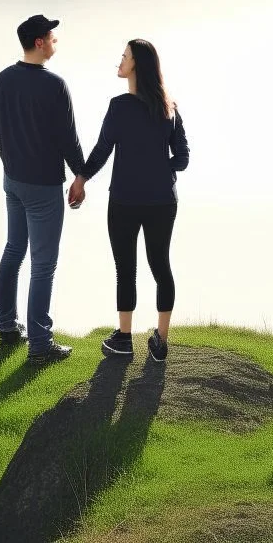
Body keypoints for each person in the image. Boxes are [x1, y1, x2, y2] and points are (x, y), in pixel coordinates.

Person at [80, 39, 189, 362]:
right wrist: (160, 168)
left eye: (124, 56)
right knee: (161, 266)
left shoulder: (119, 107)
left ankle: (124, 338)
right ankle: (161, 342)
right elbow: (182, 158)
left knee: (125, 269)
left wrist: (81, 178)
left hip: (125, 201)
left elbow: (102, 150)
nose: (120, 61)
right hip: (162, 201)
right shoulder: (169, 107)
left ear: (136, 65)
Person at [0, 14, 86, 364]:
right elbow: (68, 138)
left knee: (14, 250)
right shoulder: (54, 85)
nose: (55, 41)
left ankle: (7, 327)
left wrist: (12, 160)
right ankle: (40, 346)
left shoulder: (1, 80)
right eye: (52, 37)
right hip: (43, 186)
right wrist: (81, 175)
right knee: (43, 265)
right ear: (40, 42)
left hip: (13, 181)